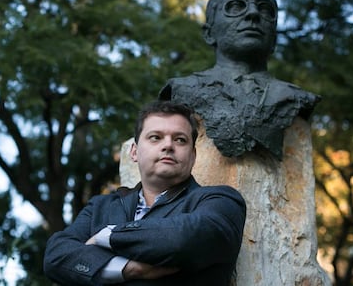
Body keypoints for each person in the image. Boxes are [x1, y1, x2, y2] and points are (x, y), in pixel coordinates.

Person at [43, 100, 246, 286]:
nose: (168, 145)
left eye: (180, 140)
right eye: (155, 137)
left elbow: (184, 240)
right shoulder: (100, 207)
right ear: (134, 152)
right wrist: (128, 269)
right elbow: (56, 257)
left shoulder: (220, 201)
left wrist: (108, 236)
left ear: (193, 156)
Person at [159, 0, 320, 160]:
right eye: (236, 6)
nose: (253, 13)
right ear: (209, 33)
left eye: (265, 9)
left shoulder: (296, 98)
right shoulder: (181, 89)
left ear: (274, 40)